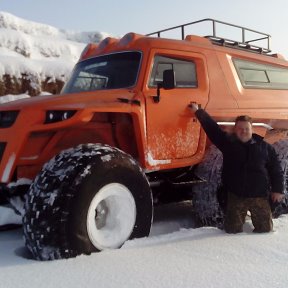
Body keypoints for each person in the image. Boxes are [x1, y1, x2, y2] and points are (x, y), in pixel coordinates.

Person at [189, 103, 285, 233]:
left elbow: (276, 170)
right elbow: (212, 129)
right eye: (240, 128)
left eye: (246, 128)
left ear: (252, 130)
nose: (243, 131)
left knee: (265, 230)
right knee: (232, 231)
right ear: (235, 130)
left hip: (260, 196)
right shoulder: (228, 144)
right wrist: (199, 112)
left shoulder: (265, 148)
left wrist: (278, 190)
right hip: (236, 197)